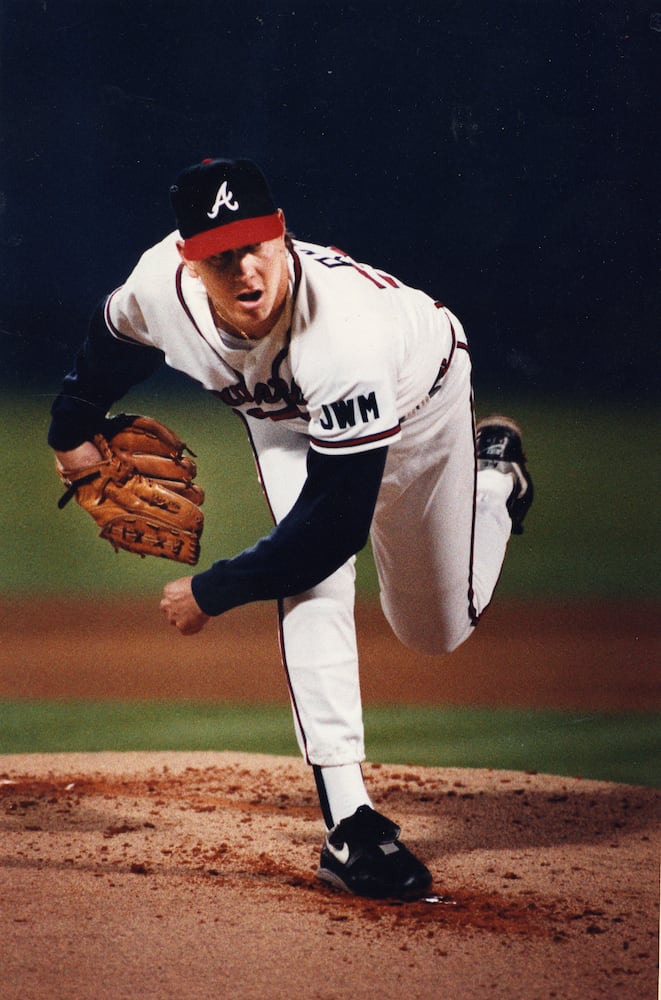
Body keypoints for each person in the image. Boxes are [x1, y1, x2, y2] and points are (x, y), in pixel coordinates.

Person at [48, 157, 533, 900]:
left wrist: (212, 590)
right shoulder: (160, 287)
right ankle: (352, 828)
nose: (244, 270)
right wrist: (68, 434)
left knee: (434, 630)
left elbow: (333, 527)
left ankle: (494, 482)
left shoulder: (344, 337)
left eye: (255, 246)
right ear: (189, 261)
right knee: (314, 585)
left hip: (421, 400)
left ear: (281, 235)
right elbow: (110, 343)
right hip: (291, 423)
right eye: (220, 256)